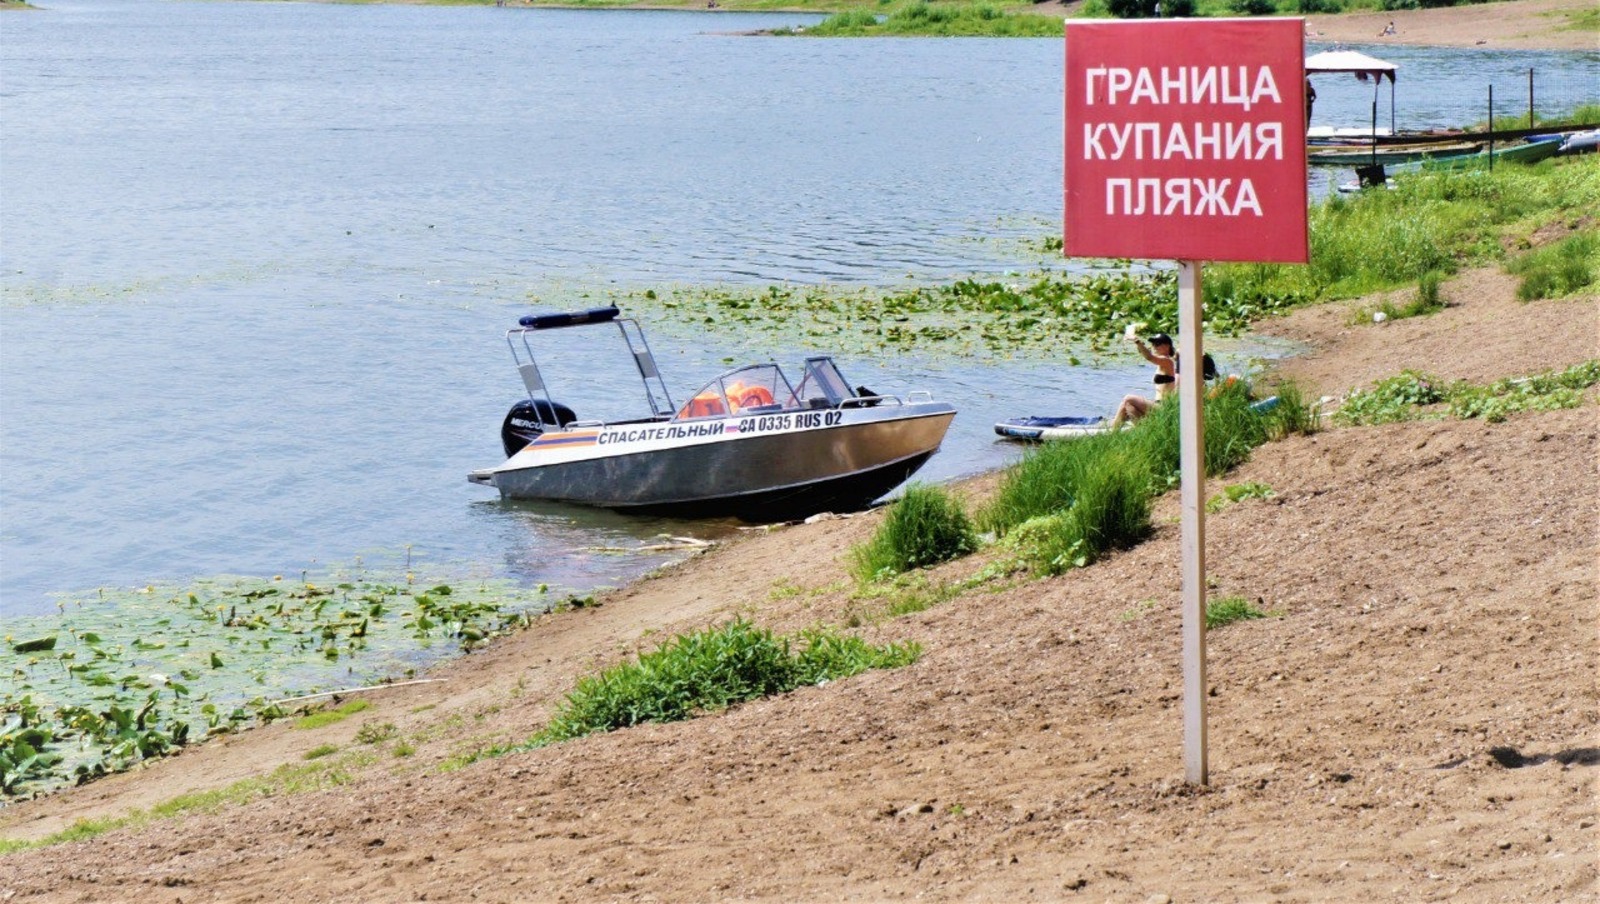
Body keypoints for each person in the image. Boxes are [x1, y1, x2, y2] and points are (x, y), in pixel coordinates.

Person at [1109, 333, 1176, 431]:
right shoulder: (1162, 363)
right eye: (1153, 344)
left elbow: (1149, 357)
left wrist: (1136, 340)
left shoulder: (1167, 361)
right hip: (1156, 404)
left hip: (1163, 407)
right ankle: (1141, 431)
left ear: (1167, 346)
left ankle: (1113, 430)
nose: (1154, 347)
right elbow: (1148, 355)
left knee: (1128, 398)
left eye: (1157, 344)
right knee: (1127, 405)